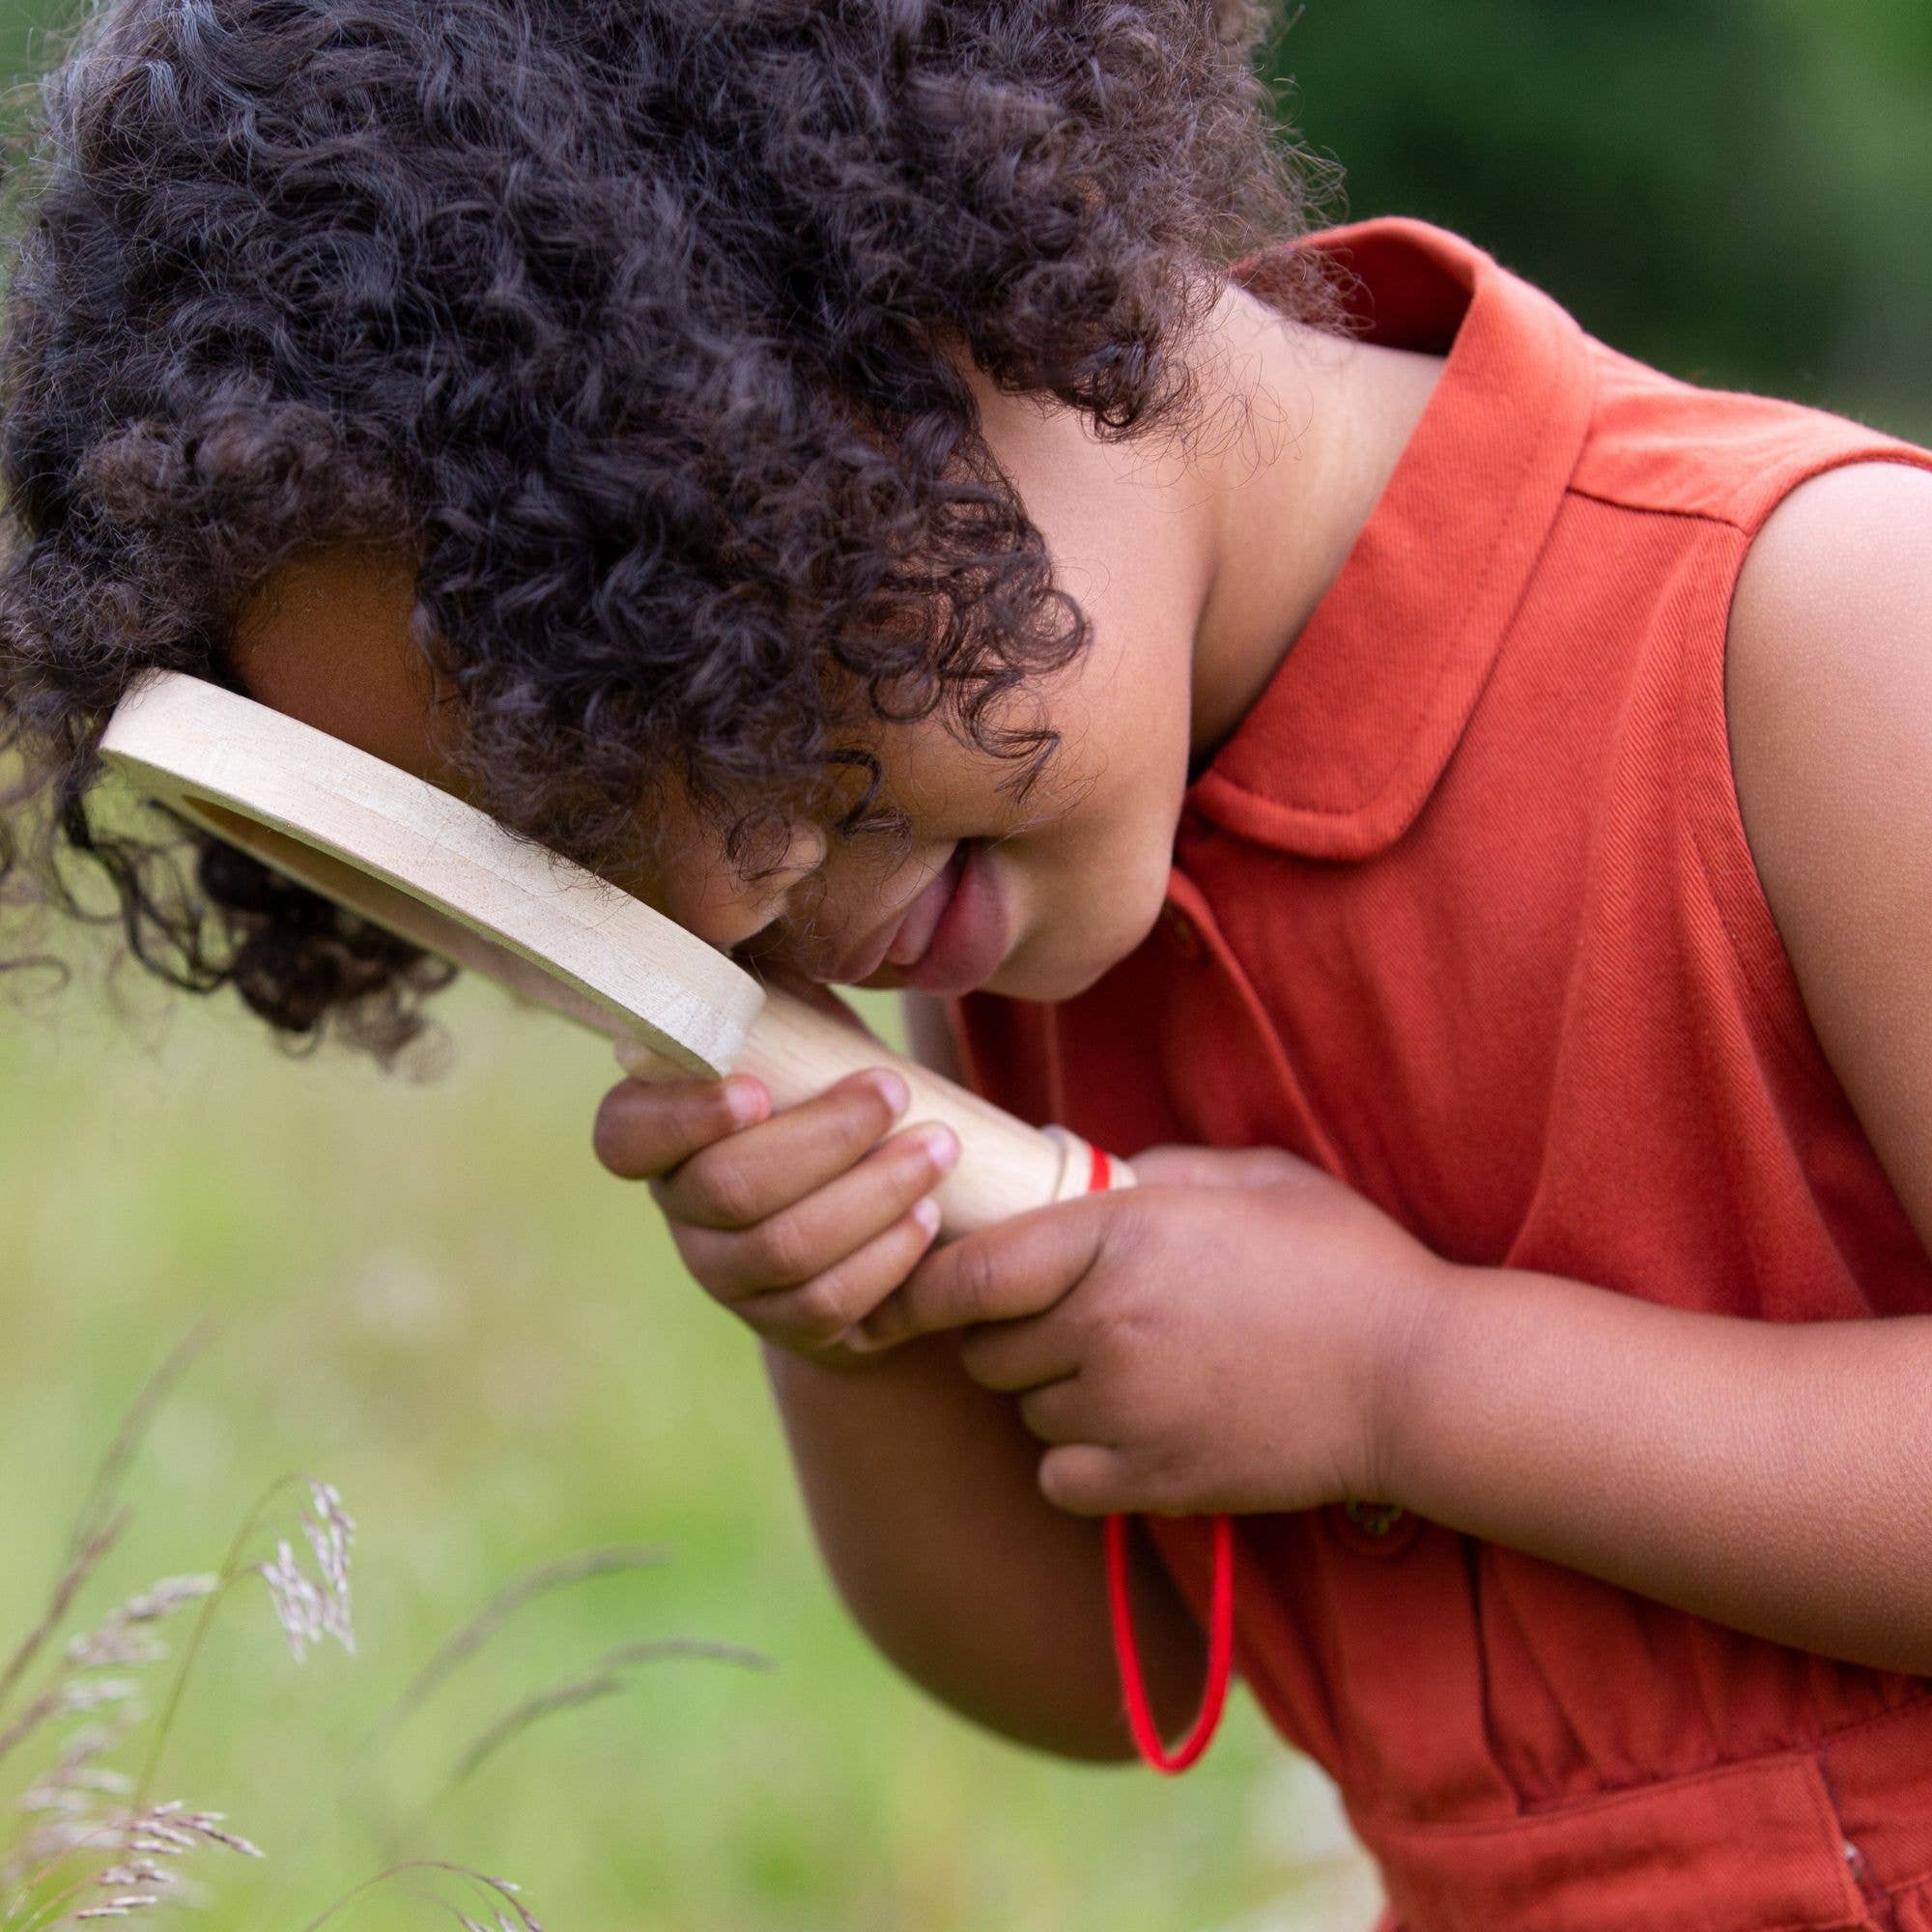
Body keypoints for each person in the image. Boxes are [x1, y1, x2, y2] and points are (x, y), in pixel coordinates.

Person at [4, 3, 1932, 1926]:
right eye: (576, 817)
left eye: (726, 671)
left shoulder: (1824, 630)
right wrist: (859, 1336)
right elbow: (1098, 1676)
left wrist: (1406, 1383)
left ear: (975, 270)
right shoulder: (1018, 911)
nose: (735, 884)